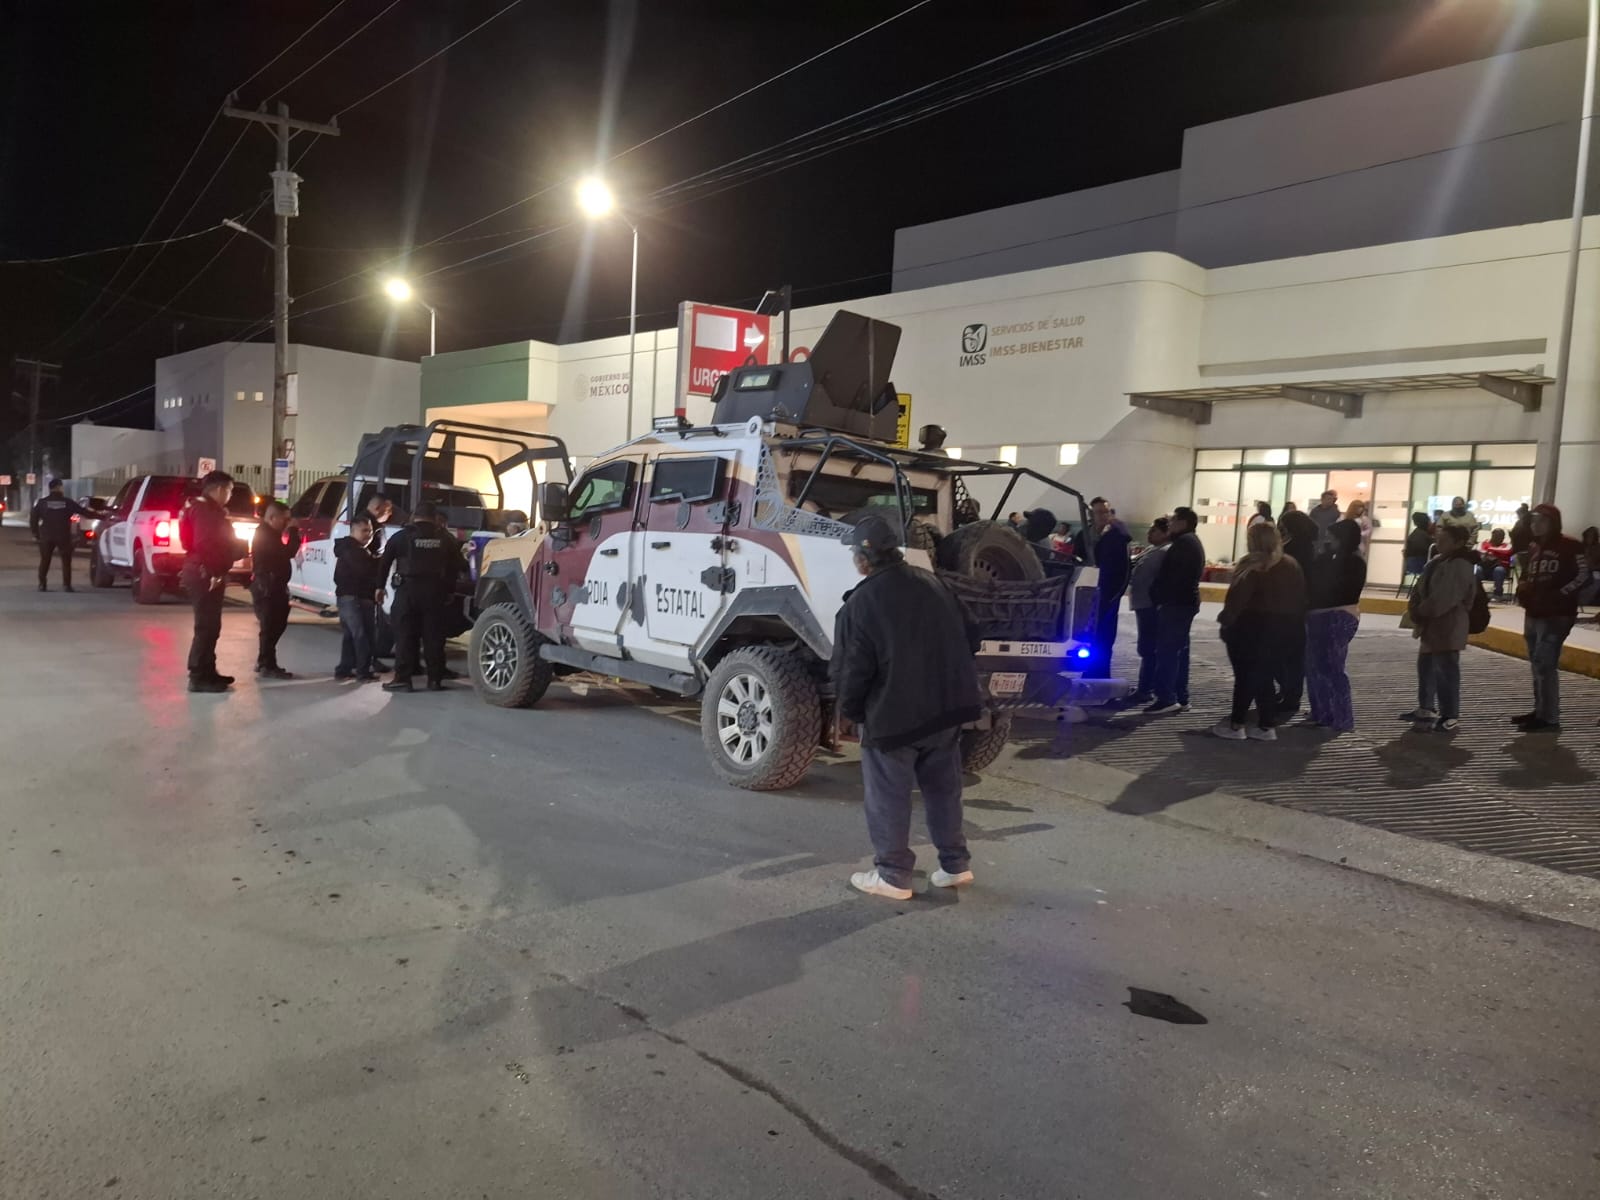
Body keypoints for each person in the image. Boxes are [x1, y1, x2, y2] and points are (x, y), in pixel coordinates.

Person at [830, 513, 981, 900]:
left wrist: (853, 713)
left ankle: (894, 875)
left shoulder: (860, 603)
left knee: (889, 796)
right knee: (943, 790)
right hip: (946, 711)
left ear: (863, 559)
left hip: (893, 717)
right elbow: (973, 636)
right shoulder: (935, 583)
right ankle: (955, 865)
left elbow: (852, 671)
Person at [1212, 522, 1306, 741]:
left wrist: (1226, 622)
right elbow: (1301, 599)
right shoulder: (1290, 564)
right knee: (1264, 677)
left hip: (1249, 628)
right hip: (1281, 629)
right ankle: (1266, 725)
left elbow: (1237, 600)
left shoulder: (1252, 565)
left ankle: (1237, 725)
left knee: (1244, 677)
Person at [378, 502, 465, 693]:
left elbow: (384, 563)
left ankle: (403, 679)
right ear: (434, 518)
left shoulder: (401, 537)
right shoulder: (445, 539)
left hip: (407, 591)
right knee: (434, 637)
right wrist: (449, 590)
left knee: (404, 636)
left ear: (414, 516)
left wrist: (379, 587)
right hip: (435, 593)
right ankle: (435, 680)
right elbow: (456, 566)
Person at [1512, 504, 1581, 733]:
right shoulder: (1534, 547)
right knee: (1536, 663)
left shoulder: (1570, 545)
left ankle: (1549, 717)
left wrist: (1560, 595)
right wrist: (1524, 589)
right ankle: (1540, 710)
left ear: (1553, 522)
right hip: (1534, 611)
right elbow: (1528, 574)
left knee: (1545, 663)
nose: (1536, 525)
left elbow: (1584, 575)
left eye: (1541, 520)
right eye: (1533, 520)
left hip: (1557, 614)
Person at [1403, 522, 1477, 732]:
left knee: (1446, 670)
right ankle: (1426, 707)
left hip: (1448, 624)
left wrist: (1421, 610)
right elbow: (1421, 588)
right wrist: (1416, 607)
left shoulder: (1459, 565)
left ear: (1458, 543)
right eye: (1438, 539)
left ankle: (1450, 714)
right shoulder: (1438, 561)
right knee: (1426, 666)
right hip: (1432, 624)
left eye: (1444, 540)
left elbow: (1445, 597)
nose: (1438, 543)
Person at [181, 471, 249, 694]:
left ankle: (208, 671)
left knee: (212, 626)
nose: (230, 495)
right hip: (204, 572)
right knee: (206, 626)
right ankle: (198, 676)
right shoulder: (205, 511)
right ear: (219, 489)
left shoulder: (203, 508)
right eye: (229, 490)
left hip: (204, 570)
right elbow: (205, 543)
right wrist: (214, 571)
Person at [1304, 519, 1366, 732]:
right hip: (1321, 615)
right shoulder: (1335, 557)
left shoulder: (1353, 561)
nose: (1329, 541)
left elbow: (1336, 589)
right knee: (1316, 667)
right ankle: (1323, 713)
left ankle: (1342, 717)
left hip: (1338, 616)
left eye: (1333, 537)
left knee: (1333, 668)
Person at [1144, 506, 1204, 715]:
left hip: (1177, 604)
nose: (1169, 524)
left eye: (1173, 520)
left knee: (1167, 651)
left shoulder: (1184, 544)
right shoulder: (1188, 542)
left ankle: (1166, 698)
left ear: (1184, 523)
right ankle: (1180, 696)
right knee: (1178, 651)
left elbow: (1175, 578)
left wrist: (1160, 597)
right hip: (1182, 603)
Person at [1274, 509, 1319, 717]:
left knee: (1285, 655)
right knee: (1291, 655)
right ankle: (1290, 693)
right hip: (1300, 608)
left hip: (1288, 609)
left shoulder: (1292, 549)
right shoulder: (1310, 547)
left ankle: (1290, 695)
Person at [249, 501, 301, 679]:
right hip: (267, 586)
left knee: (276, 624)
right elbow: (288, 552)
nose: (287, 523)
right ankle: (267, 664)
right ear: (272, 518)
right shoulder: (265, 535)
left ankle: (265, 660)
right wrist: (293, 532)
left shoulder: (270, 534)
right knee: (270, 626)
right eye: (284, 520)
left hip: (274, 584)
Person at [1081, 496, 1130, 680]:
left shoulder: (1118, 536)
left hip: (1108, 595)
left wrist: (1115, 595)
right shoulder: (1084, 535)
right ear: (1091, 514)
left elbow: (1124, 568)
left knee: (1105, 637)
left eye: (1105, 512)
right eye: (1098, 512)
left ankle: (1101, 675)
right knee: (1086, 636)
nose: (1102, 516)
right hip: (1086, 595)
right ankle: (1088, 672)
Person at [1122, 517, 1170, 706]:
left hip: (1150, 605)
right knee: (1146, 647)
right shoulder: (1152, 549)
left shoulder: (1164, 552)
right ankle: (1145, 687)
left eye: (1154, 531)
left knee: (1148, 648)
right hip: (1142, 604)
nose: (1149, 534)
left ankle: (1146, 689)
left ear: (1165, 533)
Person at [334, 514, 384, 682]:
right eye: (364, 531)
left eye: (370, 531)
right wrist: (381, 561)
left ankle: (344, 669)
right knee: (362, 635)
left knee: (351, 635)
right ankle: (363, 671)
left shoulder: (355, 549)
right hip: (353, 597)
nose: (368, 535)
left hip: (352, 597)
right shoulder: (353, 550)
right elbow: (365, 570)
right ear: (353, 530)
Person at [29, 478, 98, 592]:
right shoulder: (67, 502)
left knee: (45, 560)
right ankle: (66, 585)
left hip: (46, 535)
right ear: (58, 487)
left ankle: (42, 584)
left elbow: (33, 519)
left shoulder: (42, 503)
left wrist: (36, 534)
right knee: (66, 561)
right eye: (61, 486)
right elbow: (84, 512)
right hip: (63, 535)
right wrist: (101, 516)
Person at [1478, 528, 1514, 599]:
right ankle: (1478, 593)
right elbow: (1480, 551)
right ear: (1492, 535)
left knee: (1499, 570)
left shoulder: (1507, 545)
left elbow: (1507, 551)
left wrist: (1489, 551)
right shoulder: (1483, 543)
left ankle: (1498, 594)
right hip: (1485, 569)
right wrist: (1497, 554)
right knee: (1477, 569)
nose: (1501, 538)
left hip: (1500, 570)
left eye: (1502, 536)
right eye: (1498, 536)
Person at [1403, 512, 1434, 580]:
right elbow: (1430, 551)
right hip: (1421, 566)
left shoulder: (1415, 534)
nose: (1431, 522)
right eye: (1430, 520)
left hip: (1412, 566)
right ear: (1426, 522)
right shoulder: (1424, 536)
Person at [1509, 503, 1534, 580]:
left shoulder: (1522, 523)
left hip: (1521, 549)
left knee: (1523, 572)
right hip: (1527, 549)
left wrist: (1511, 534)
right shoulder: (1530, 521)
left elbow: (1515, 534)